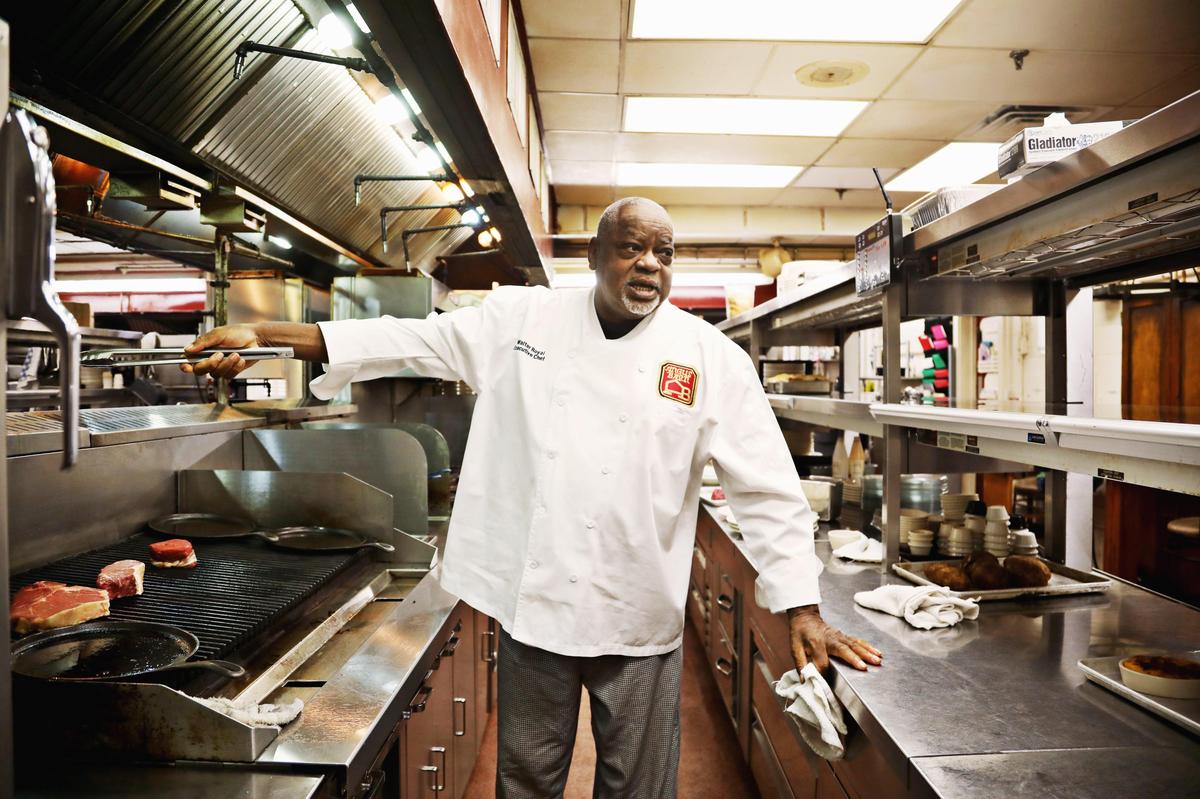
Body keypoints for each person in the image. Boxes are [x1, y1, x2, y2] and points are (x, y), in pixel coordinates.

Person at [186, 197, 882, 798]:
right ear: (594, 253)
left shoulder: (709, 359)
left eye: (663, 253)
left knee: (639, 789)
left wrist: (802, 604)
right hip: (537, 610)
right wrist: (270, 333)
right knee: (526, 782)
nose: (648, 264)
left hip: (638, 614)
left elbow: (766, 483)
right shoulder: (520, 319)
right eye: (632, 247)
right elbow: (408, 339)